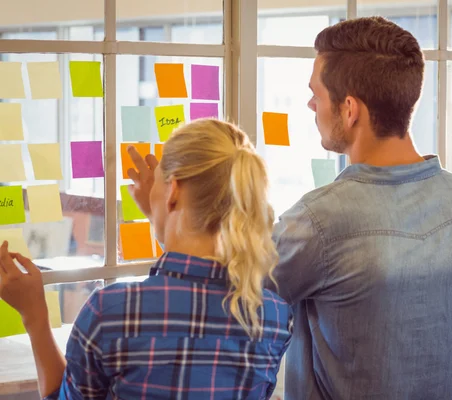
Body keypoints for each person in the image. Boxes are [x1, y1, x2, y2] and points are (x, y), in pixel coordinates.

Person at [128, 17, 452, 399]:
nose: (311, 103)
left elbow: (212, 313)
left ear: (349, 110)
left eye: (317, 93)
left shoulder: (317, 222)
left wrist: (162, 216)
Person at [0, 119, 292, 399]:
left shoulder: (111, 312)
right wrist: (163, 215)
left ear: (174, 191)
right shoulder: (272, 317)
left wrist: (35, 316)